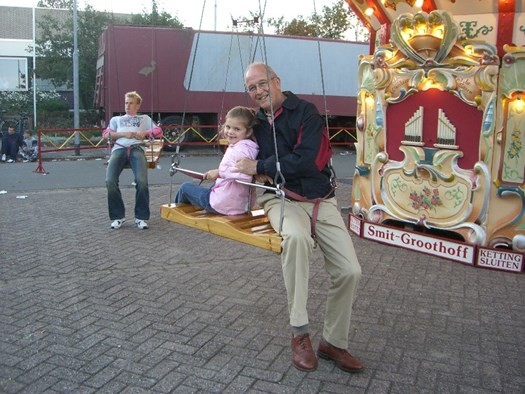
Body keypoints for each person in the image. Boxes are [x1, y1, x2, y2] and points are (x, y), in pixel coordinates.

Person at [234, 62, 363, 373]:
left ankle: (332, 341)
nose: (258, 91)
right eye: (251, 88)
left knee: (349, 271)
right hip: (280, 199)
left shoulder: (306, 112)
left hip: (321, 198)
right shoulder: (256, 124)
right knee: (296, 239)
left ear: (277, 81)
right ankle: (299, 332)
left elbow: (308, 160)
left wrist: (260, 166)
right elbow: (236, 147)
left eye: (262, 83)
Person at [174, 106, 259, 215]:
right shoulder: (250, 147)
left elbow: (246, 176)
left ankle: (176, 213)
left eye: (237, 129)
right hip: (239, 204)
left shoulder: (239, 150)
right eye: (228, 127)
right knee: (211, 187)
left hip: (223, 205)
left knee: (185, 187)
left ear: (248, 132)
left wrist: (219, 172)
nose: (230, 132)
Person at [103, 91, 162, 230]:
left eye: (131, 103)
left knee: (142, 181)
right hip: (119, 148)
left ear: (137, 105)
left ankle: (141, 217)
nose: (127, 106)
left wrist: (146, 133)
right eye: (126, 103)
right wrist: (123, 134)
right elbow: (106, 135)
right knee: (109, 180)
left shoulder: (145, 119)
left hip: (137, 148)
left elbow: (159, 131)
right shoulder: (116, 120)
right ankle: (118, 216)